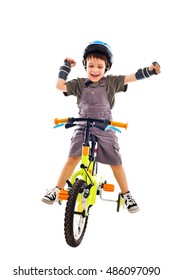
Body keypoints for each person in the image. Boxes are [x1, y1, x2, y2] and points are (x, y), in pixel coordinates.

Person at [42, 40, 160, 213]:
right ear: (85, 66)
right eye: (91, 66)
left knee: (115, 160)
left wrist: (149, 71)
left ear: (106, 67)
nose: (95, 70)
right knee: (72, 158)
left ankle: (126, 194)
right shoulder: (79, 84)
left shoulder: (111, 82)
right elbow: (59, 86)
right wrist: (66, 66)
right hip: (83, 124)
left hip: (105, 126)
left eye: (99, 66)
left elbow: (131, 77)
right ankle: (57, 189)